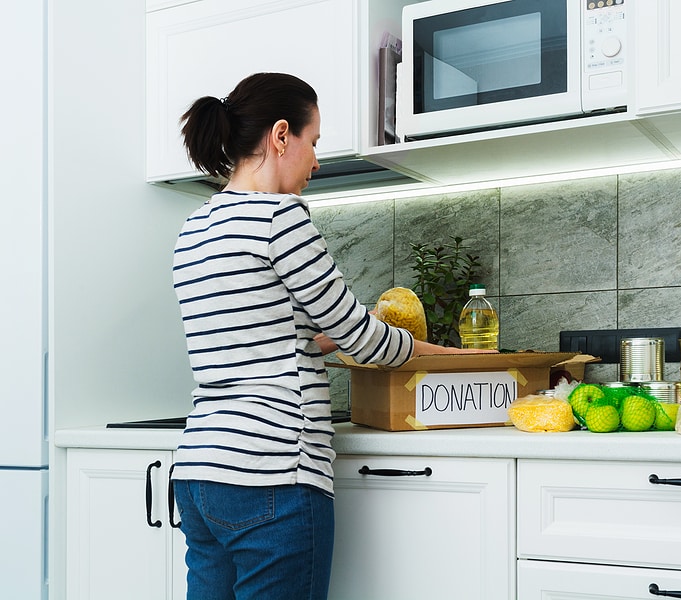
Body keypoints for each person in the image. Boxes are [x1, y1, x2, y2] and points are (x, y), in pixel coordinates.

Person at [170, 72, 492, 600]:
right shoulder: (278, 216)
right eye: (313, 141)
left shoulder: (195, 228)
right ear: (280, 136)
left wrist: (320, 340)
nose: (317, 160)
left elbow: (255, 335)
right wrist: (438, 352)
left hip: (202, 472)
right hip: (273, 472)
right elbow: (362, 339)